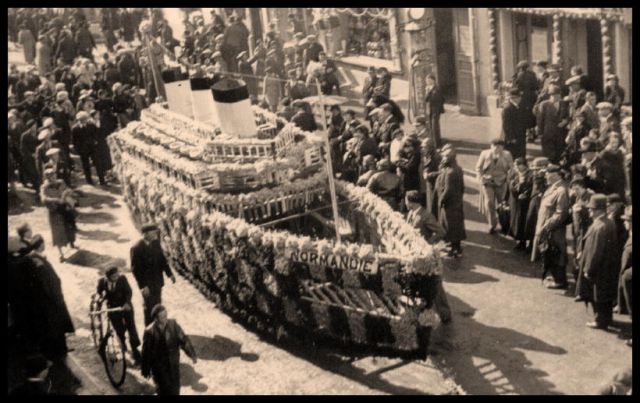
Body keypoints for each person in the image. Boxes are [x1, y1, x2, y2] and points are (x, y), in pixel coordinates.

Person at [28, 234, 76, 358]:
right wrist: (56, 298)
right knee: (56, 325)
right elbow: (45, 282)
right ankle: (60, 350)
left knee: (56, 326)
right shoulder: (37, 261)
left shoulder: (35, 258)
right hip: (52, 300)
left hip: (51, 299)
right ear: (40, 245)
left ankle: (61, 348)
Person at [578, 194, 620, 329]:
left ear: (598, 210)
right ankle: (607, 319)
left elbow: (595, 251)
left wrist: (588, 269)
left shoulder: (599, 226)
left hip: (599, 268)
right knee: (605, 294)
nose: (590, 211)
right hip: (607, 266)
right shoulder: (609, 222)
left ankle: (600, 321)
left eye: (591, 209)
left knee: (598, 294)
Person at [142, 305, 197, 395]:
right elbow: (146, 352)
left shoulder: (173, 325)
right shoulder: (149, 331)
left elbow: (184, 340)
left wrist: (192, 354)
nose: (165, 319)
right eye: (162, 317)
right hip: (159, 367)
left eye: (166, 315)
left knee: (175, 388)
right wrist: (146, 369)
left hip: (173, 363)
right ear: (156, 319)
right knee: (163, 390)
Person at [532, 164, 570, 289]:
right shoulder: (553, 188)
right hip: (547, 227)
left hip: (554, 229)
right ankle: (555, 276)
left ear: (555, 175)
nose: (546, 177)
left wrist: (547, 226)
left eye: (547, 174)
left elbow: (561, 213)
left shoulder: (561, 191)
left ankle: (560, 281)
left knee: (556, 252)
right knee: (549, 252)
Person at [131, 223, 176, 325]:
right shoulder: (137, 248)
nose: (156, 234)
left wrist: (170, 274)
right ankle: (149, 330)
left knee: (157, 305)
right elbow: (135, 270)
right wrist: (143, 286)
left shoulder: (156, 243)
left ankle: (158, 326)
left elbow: (162, 260)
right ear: (145, 234)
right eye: (153, 232)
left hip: (157, 282)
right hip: (147, 285)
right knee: (148, 308)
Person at [96, 266, 142, 364]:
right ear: (108, 277)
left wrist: (127, 302)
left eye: (117, 275)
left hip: (125, 307)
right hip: (113, 309)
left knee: (131, 328)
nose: (116, 277)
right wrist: (100, 297)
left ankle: (135, 351)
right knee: (119, 330)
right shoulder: (102, 282)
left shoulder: (122, 279)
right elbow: (99, 293)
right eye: (113, 276)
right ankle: (123, 344)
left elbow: (129, 292)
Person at [476, 138, 514, 234]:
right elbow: (478, 167)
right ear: (491, 146)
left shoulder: (507, 155)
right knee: (489, 203)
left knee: (502, 204)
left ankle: (504, 224)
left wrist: (508, 178)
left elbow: (511, 168)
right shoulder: (484, 154)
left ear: (503, 147)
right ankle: (492, 224)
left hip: (501, 182)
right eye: (494, 146)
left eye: (499, 146)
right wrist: (480, 178)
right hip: (487, 182)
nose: (497, 148)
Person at [435, 147, 466, 257]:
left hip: (449, 203)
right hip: (456, 201)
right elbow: (462, 187)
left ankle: (454, 248)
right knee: (456, 224)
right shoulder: (457, 169)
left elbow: (448, 189)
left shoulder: (450, 172)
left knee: (451, 225)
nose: (443, 158)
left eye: (445, 157)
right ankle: (456, 246)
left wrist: (441, 200)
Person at [71, 111, 106, 186]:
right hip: (83, 150)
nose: (84, 120)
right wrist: (78, 150)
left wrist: (95, 142)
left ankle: (102, 180)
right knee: (86, 165)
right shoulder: (75, 129)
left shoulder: (91, 126)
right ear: (79, 120)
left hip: (92, 148)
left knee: (98, 163)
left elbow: (97, 134)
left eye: (85, 119)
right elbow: (74, 141)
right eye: (82, 119)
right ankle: (89, 181)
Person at [508, 157, 533, 250]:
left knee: (525, 221)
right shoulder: (513, 173)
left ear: (524, 165)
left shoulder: (531, 175)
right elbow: (510, 185)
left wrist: (524, 192)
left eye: (519, 165)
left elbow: (531, 188)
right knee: (517, 221)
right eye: (515, 165)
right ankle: (520, 241)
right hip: (515, 201)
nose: (517, 167)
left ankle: (528, 242)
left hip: (525, 203)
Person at [501, 88, 528, 159]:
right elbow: (506, 125)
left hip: (521, 136)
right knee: (512, 156)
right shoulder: (507, 109)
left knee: (521, 156)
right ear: (513, 98)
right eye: (519, 97)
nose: (520, 98)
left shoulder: (520, 107)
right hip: (512, 138)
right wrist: (511, 137)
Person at [419, 138, 442, 216]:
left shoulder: (437, 157)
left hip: (435, 184)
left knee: (433, 206)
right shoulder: (427, 155)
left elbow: (442, 172)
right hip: (429, 184)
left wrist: (429, 175)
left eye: (425, 147)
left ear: (430, 147)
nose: (423, 149)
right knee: (430, 205)